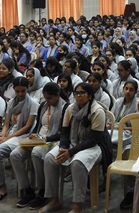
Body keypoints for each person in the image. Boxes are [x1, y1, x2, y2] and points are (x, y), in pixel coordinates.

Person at [40, 82, 112, 213]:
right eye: (76, 93)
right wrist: (63, 147)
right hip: (73, 143)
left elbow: (93, 140)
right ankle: (53, 200)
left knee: (77, 163)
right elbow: (64, 132)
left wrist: (70, 152)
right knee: (49, 158)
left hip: (95, 146)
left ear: (89, 96)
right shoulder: (70, 109)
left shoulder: (97, 111)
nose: (79, 96)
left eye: (82, 93)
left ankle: (77, 205)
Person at [0, 77, 39, 202]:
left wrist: (8, 138)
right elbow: (6, 124)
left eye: (23, 91)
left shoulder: (33, 103)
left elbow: (27, 127)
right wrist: (3, 135)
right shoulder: (11, 102)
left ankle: (0, 187)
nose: (20, 94)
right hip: (9, 134)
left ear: (27, 89)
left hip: (22, 136)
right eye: (17, 91)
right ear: (14, 89)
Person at [10, 82, 69, 209]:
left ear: (58, 95)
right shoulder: (43, 105)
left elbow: (64, 133)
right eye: (45, 98)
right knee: (15, 155)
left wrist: (45, 138)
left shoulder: (66, 107)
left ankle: (42, 191)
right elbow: (38, 126)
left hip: (53, 140)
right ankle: (28, 190)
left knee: (36, 152)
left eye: (50, 98)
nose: (47, 101)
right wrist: (34, 135)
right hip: (40, 139)